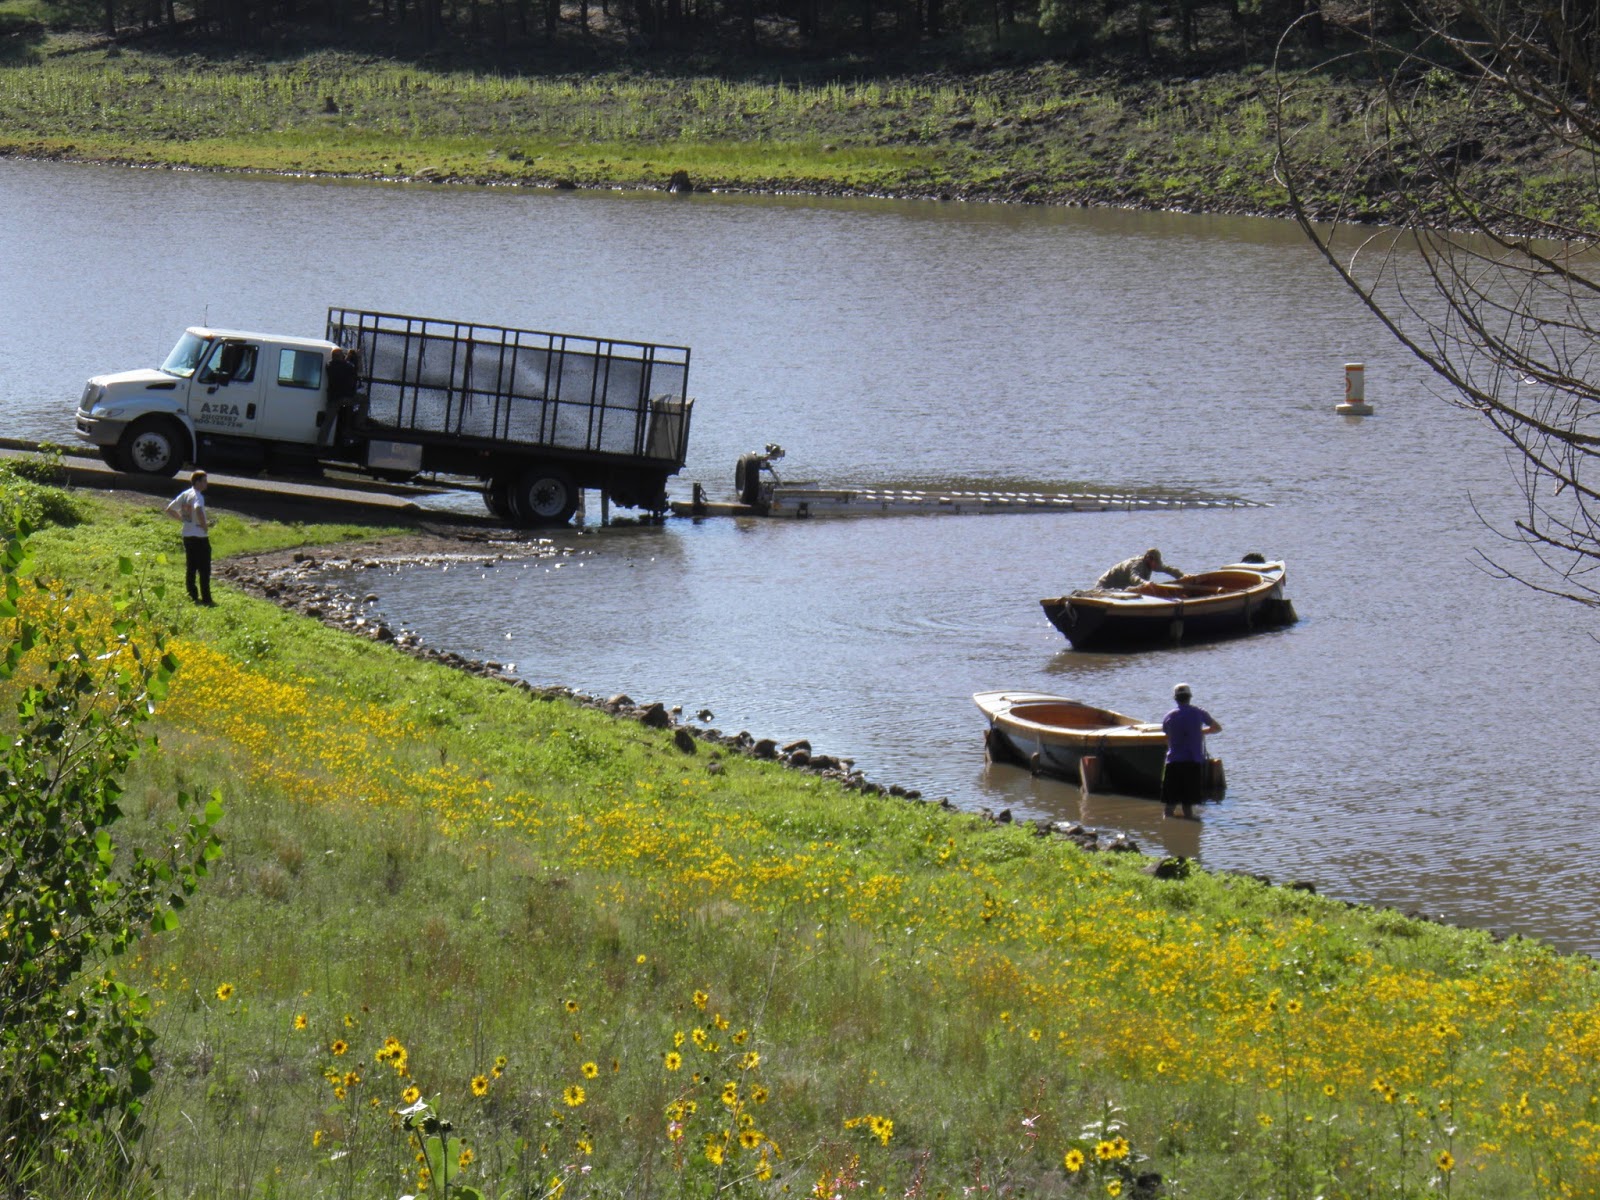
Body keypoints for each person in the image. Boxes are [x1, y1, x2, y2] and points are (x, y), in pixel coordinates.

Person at [1161, 683, 1221, 819]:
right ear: (1190, 697)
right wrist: (1199, 732)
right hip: (1192, 762)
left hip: (1173, 763)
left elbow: (1167, 734)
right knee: (1188, 806)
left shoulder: (1169, 716)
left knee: (1169, 806)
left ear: (1175, 699)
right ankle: (1191, 832)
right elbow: (1217, 728)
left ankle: (1168, 832)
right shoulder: (1199, 713)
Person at [165, 471, 213, 606]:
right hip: (199, 535)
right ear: (197, 482)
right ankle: (206, 598)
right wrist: (204, 525)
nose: (206, 483)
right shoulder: (198, 496)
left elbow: (169, 509)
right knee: (204, 568)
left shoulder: (186, 494)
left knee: (191, 566)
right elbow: (198, 509)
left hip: (187, 534)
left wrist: (183, 520)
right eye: (204, 481)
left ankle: (192, 594)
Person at [1095, 547, 1184, 591]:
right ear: (1149, 559)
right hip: (1104, 586)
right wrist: (1146, 583)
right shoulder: (1137, 564)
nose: (1156, 565)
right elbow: (1134, 577)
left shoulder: (1152, 564)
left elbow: (1168, 569)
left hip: (1119, 588)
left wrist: (1182, 576)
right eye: (1155, 562)